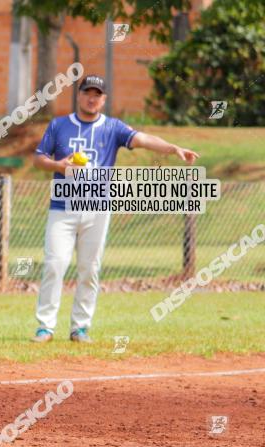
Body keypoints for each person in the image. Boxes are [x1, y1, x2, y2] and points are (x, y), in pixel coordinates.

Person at [31, 74, 199, 343]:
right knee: (55, 264)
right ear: (79, 94)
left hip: (97, 209)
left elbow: (143, 139)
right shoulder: (59, 125)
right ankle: (45, 327)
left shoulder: (113, 128)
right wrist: (58, 165)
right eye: (88, 92)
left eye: (97, 94)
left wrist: (173, 148)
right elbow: (39, 159)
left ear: (104, 99)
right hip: (62, 208)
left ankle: (80, 328)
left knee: (90, 268)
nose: (92, 97)